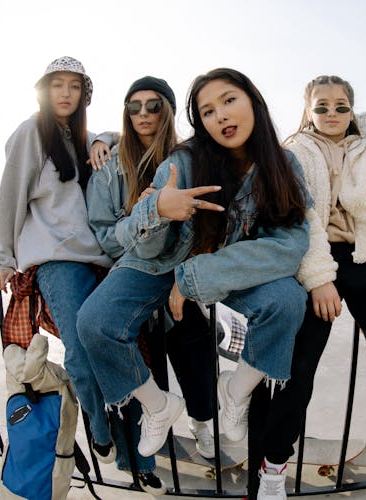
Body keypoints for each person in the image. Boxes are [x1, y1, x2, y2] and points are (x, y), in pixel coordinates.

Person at [76, 68, 310, 463]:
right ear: (199, 122)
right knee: (94, 322)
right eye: (207, 111)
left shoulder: (283, 165)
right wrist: (158, 210)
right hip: (158, 261)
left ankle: (234, 393)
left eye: (229, 100)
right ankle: (156, 405)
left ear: (253, 100)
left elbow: (290, 244)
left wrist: (193, 278)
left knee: (287, 301)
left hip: (221, 264)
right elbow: (143, 244)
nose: (220, 115)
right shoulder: (183, 160)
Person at [248, 75, 366, 500]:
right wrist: (319, 279)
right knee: (297, 368)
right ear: (308, 109)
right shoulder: (292, 151)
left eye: (341, 106)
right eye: (322, 106)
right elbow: (299, 218)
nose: (332, 114)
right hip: (313, 259)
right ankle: (273, 468)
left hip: (364, 259)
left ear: (352, 111)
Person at [85, 76, 217, 490]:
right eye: (134, 106)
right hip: (136, 262)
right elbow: (104, 231)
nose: (143, 114)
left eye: (153, 105)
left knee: (192, 338)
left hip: (183, 263)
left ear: (169, 110)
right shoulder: (109, 164)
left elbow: (211, 220)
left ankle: (203, 420)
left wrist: (188, 275)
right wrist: (146, 218)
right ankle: (152, 415)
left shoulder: (186, 157)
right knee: (114, 335)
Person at [0, 57, 118, 472]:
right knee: (80, 349)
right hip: (58, 260)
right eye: (57, 85)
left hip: (97, 256)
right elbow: (10, 195)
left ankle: (125, 416)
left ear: (84, 95)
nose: (65, 93)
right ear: (43, 91)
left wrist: (101, 138)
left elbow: (121, 135)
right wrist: (3, 257)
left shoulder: (81, 137)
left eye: (74, 87)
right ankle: (100, 432)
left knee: (115, 341)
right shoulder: (31, 132)